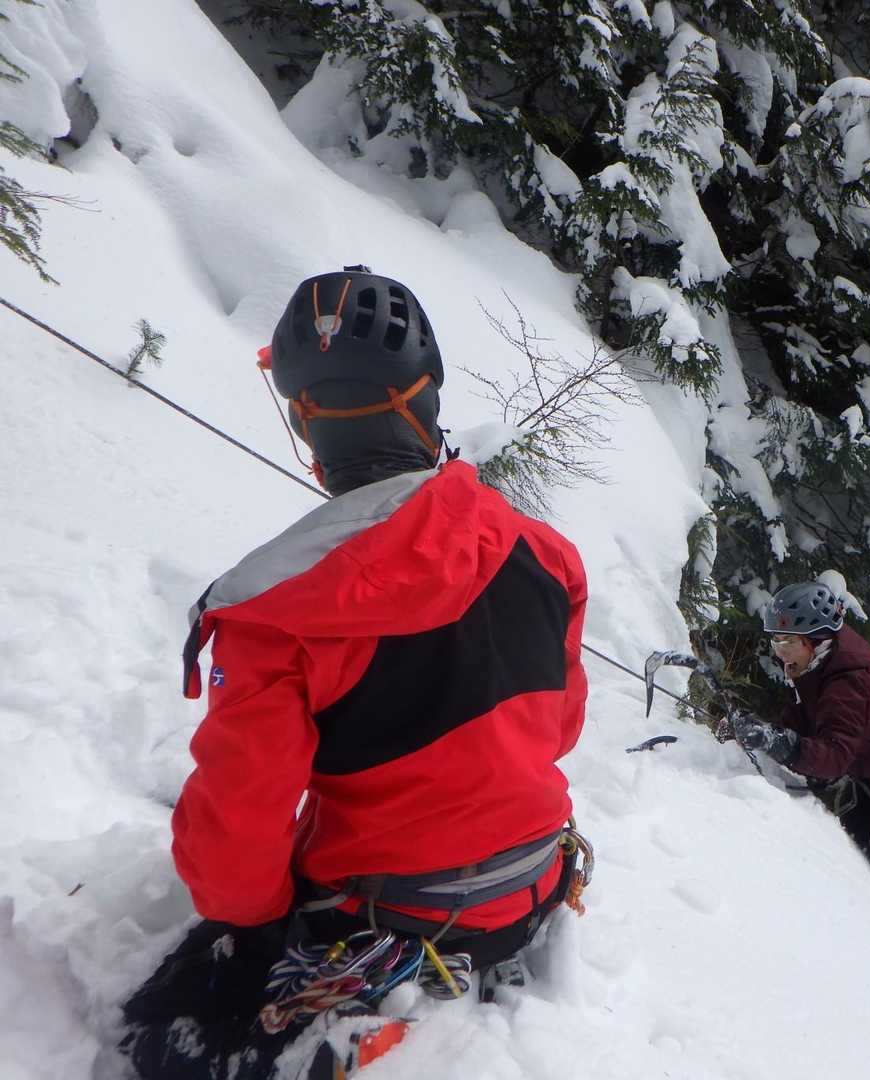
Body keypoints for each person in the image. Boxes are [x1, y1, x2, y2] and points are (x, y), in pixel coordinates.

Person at [120, 267, 590, 1079]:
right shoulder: (547, 555)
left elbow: (239, 833)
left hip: (384, 916)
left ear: (306, 420)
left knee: (153, 1038)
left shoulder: (272, 612)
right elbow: (561, 729)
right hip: (530, 884)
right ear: (426, 398)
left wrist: (252, 928)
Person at [733, 580, 870, 916]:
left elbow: (834, 757)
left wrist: (778, 742)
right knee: (859, 862)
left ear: (815, 639)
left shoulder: (848, 685)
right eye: (775, 641)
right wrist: (766, 732)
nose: (779, 652)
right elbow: (807, 717)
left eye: (786, 641)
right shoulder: (821, 663)